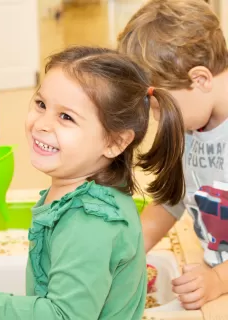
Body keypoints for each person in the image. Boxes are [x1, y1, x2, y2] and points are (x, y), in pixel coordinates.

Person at [0, 45, 186, 320]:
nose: (41, 123)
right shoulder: (76, 190)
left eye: (66, 117)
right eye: (41, 104)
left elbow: (63, 315)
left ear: (115, 142)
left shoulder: (91, 223)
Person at [118, 0, 228, 309]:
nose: (156, 118)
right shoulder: (192, 125)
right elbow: (172, 200)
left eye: (160, 106)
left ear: (200, 79)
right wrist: (130, 251)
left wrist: (219, 280)